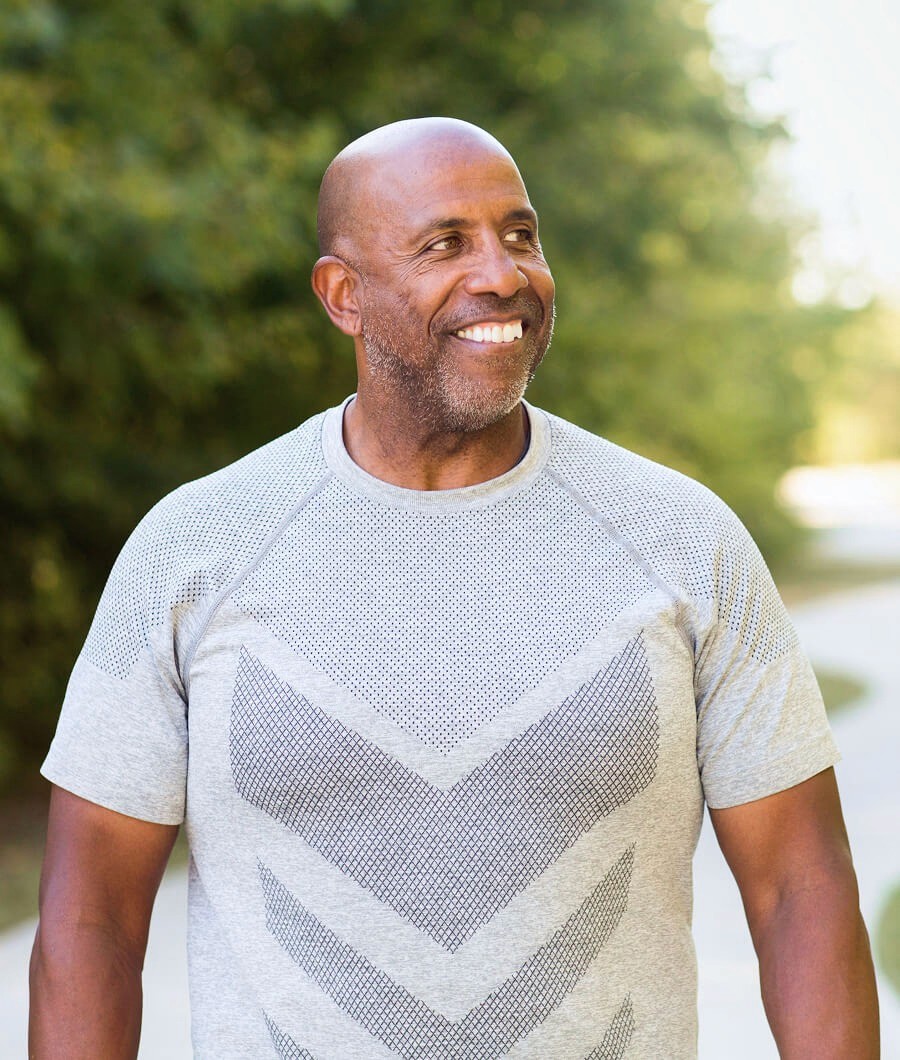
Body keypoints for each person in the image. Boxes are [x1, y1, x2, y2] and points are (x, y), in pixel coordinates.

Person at [30, 117, 879, 1059]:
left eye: (521, 235)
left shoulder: (684, 540)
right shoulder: (193, 550)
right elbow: (91, 920)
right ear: (343, 295)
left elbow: (800, 888)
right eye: (446, 244)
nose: (504, 274)